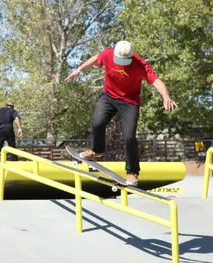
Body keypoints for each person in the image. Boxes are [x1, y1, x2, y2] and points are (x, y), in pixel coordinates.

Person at [65, 40, 177, 186]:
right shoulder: (108, 54)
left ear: (131, 57)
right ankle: (96, 150)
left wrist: (166, 96)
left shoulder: (140, 64)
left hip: (130, 102)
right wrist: (79, 69)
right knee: (97, 123)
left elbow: (156, 81)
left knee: (129, 137)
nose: (121, 63)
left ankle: (132, 173)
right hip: (109, 97)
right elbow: (95, 59)